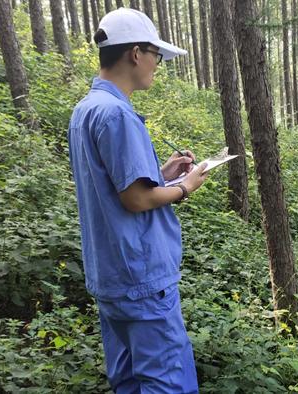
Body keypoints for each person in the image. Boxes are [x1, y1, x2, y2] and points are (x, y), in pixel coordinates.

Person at [68, 8, 207, 393]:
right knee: (167, 383)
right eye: (156, 56)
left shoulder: (86, 110)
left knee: (127, 380)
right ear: (135, 54)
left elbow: (113, 186)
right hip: (141, 277)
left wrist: (161, 173)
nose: (156, 66)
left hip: (110, 274)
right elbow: (136, 200)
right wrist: (186, 186)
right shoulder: (118, 115)